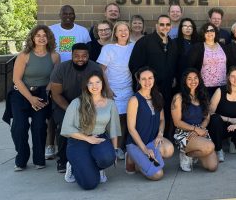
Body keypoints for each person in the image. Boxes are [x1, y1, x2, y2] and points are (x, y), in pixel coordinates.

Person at [8, 25, 60, 171]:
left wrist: (47, 93)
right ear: (32, 38)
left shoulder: (55, 56)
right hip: (21, 94)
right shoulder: (24, 55)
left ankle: (39, 159)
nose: (41, 38)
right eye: (38, 35)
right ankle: (21, 159)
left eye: (45, 35)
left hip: (42, 94)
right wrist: (31, 99)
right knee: (19, 127)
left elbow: (54, 78)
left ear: (49, 38)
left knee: (39, 127)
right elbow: (16, 79)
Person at [61, 72, 120, 189]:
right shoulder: (76, 102)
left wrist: (115, 150)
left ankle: (97, 168)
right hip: (78, 140)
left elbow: (113, 128)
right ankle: (73, 167)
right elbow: (66, 128)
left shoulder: (110, 104)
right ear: (86, 86)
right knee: (90, 184)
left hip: (99, 137)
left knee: (108, 157)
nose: (95, 86)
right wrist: (87, 138)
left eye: (97, 82)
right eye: (90, 83)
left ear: (103, 83)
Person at [50, 43, 102, 173]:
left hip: (89, 105)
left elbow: (99, 91)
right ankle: (63, 160)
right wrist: (72, 110)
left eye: (84, 56)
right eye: (77, 56)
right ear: (72, 55)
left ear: (88, 56)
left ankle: (91, 157)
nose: (80, 59)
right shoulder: (61, 69)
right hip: (64, 104)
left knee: (96, 125)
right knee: (64, 126)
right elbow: (56, 94)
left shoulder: (95, 68)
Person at [128, 15, 179, 137]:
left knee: (164, 112)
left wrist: (174, 78)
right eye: (162, 24)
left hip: (167, 87)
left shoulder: (173, 44)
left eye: (167, 24)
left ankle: (163, 137)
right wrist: (144, 82)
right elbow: (134, 65)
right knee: (147, 114)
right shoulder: (144, 42)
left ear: (170, 27)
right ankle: (144, 140)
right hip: (148, 87)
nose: (164, 27)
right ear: (157, 26)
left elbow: (175, 64)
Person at [125, 67, 174, 180]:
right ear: (138, 80)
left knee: (169, 149)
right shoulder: (134, 100)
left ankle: (142, 161)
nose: (147, 82)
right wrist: (145, 150)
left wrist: (160, 134)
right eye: (144, 79)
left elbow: (162, 119)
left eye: (150, 78)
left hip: (152, 140)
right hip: (137, 144)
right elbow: (131, 128)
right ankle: (133, 158)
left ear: (154, 79)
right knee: (158, 175)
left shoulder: (158, 96)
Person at [97, 21, 135, 160]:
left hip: (128, 89)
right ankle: (114, 147)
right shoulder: (109, 48)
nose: (123, 32)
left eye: (126, 30)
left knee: (126, 118)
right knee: (115, 120)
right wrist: (107, 89)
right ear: (115, 33)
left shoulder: (133, 46)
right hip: (113, 89)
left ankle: (122, 146)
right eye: (120, 30)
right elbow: (101, 70)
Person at [171, 69, 218, 172]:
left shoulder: (203, 95)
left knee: (213, 166)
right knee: (210, 147)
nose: (193, 81)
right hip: (184, 132)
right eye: (189, 79)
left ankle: (194, 153)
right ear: (184, 81)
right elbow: (177, 122)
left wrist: (200, 129)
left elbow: (207, 117)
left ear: (199, 80)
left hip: (200, 131)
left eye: (195, 78)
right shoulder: (178, 97)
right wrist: (195, 129)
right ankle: (185, 153)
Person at [186, 22, 233, 97]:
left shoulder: (223, 47)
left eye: (212, 30)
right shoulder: (197, 48)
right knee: (207, 107)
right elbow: (190, 66)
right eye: (206, 31)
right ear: (203, 34)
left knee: (221, 108)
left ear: (215, 32)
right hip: (204, 87)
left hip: (223, 86)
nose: (209, 33)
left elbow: (230, 64)